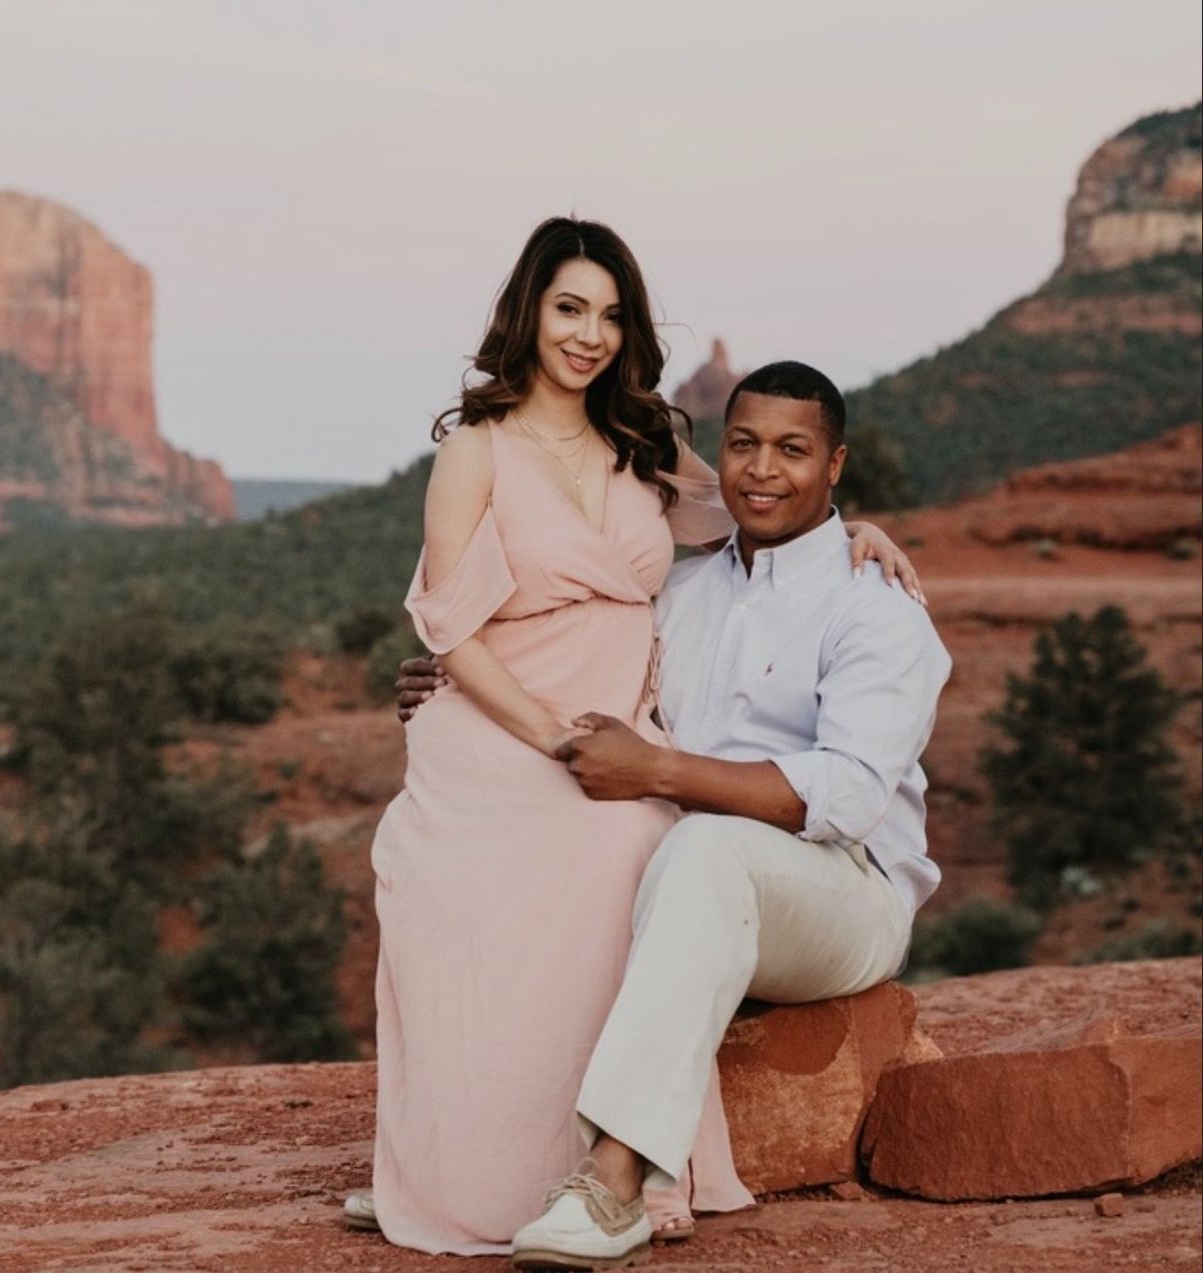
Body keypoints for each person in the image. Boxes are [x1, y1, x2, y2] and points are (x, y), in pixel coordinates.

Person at [356, 218, 921, 1258]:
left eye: (612, 315)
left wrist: (856, 530)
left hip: (657, 764)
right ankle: (463, 1173)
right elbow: (456, 619)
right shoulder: (479, 451)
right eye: (570, 308)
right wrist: (523, 717)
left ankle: (611, 1178)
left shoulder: (645, 446)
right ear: (529, 311)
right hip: (523, 726)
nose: (590, 334)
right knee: (500, 874)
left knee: (637, 846)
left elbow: (757, 506)